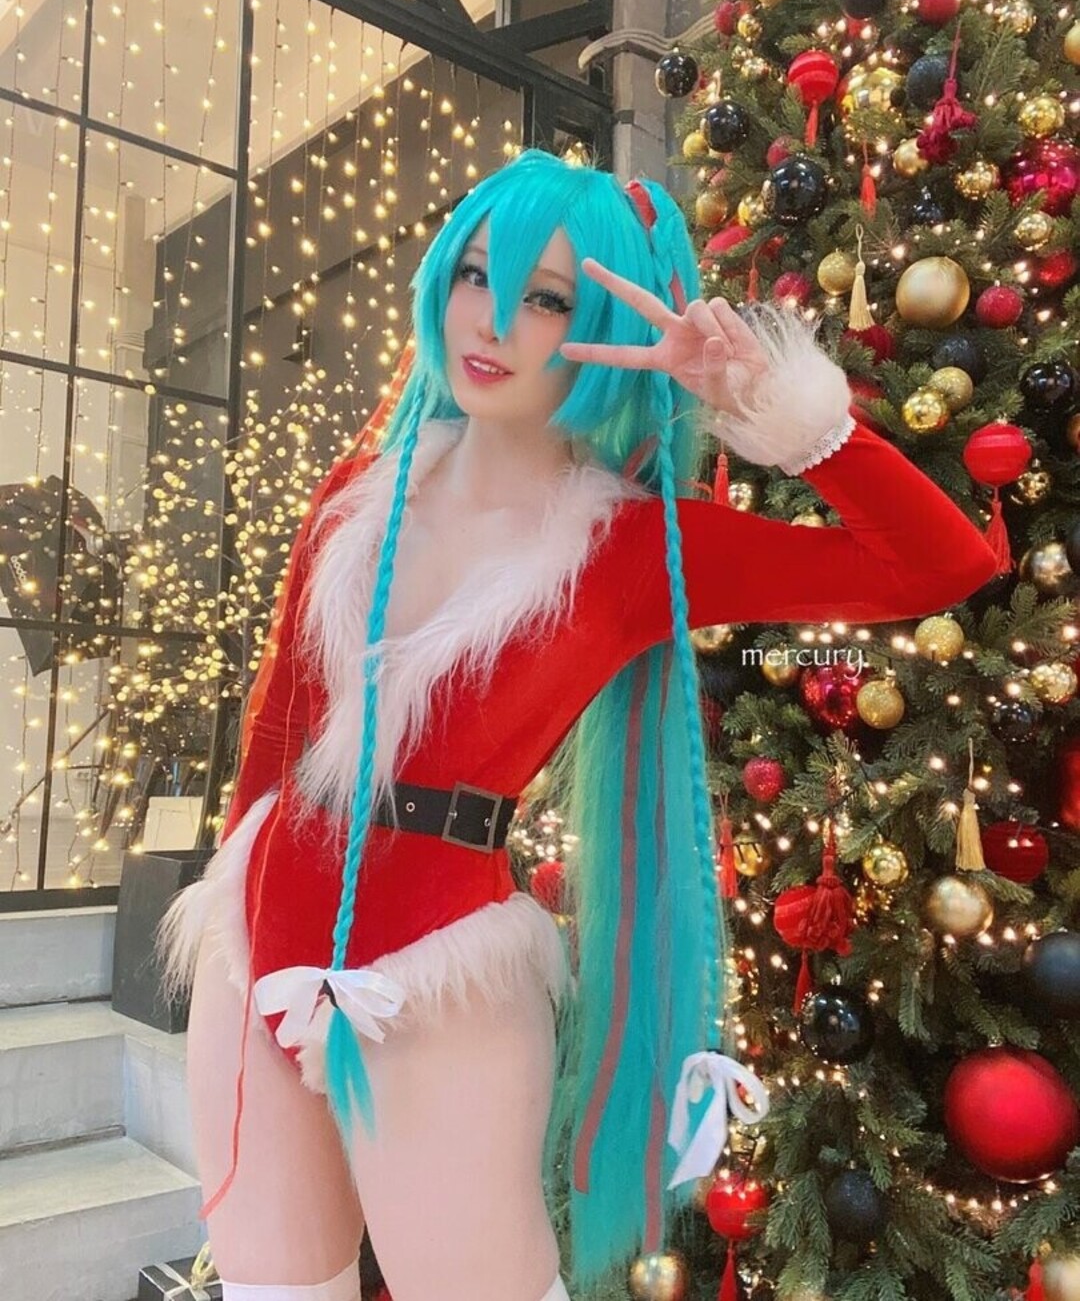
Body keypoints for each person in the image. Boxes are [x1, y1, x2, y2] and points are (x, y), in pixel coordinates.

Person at [157, 147, 998, 1301]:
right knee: (271, 1287)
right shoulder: (357, 494)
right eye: (474, 274)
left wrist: (777, 410)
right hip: (258, 935)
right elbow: (277, 737)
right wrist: (236, 896)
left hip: (438, 975)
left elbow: (937, 565)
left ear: (599, 322)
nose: (492, 319)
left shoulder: (627, 546)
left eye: (546, 298)